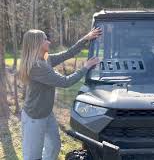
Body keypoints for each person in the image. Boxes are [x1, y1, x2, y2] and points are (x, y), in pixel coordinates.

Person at [19, 28, 102, 160]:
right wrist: (86, 67)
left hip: (46, 112)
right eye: (45, 39)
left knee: (54, 147)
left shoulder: (45, 58)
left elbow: (67, 54)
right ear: (37, 44)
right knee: (32, 156)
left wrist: (86, 38)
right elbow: (65, 82)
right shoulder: (36, 66)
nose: (49, 42)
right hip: (34, 118)